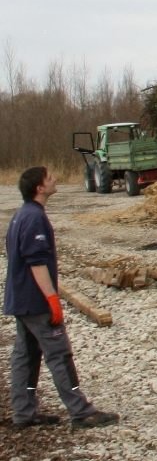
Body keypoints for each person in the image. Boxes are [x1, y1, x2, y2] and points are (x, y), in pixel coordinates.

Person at [5, 166, 120, 431]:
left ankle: (24, 411)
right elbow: (36, 263)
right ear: (39, 188)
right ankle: (80, 411)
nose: (55, 180)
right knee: (59, 355)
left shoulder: (20, 215)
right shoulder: (33, 218)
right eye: (50, 178)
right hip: (36, 301)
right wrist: (52, 298)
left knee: (27, 356)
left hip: (21, 299)